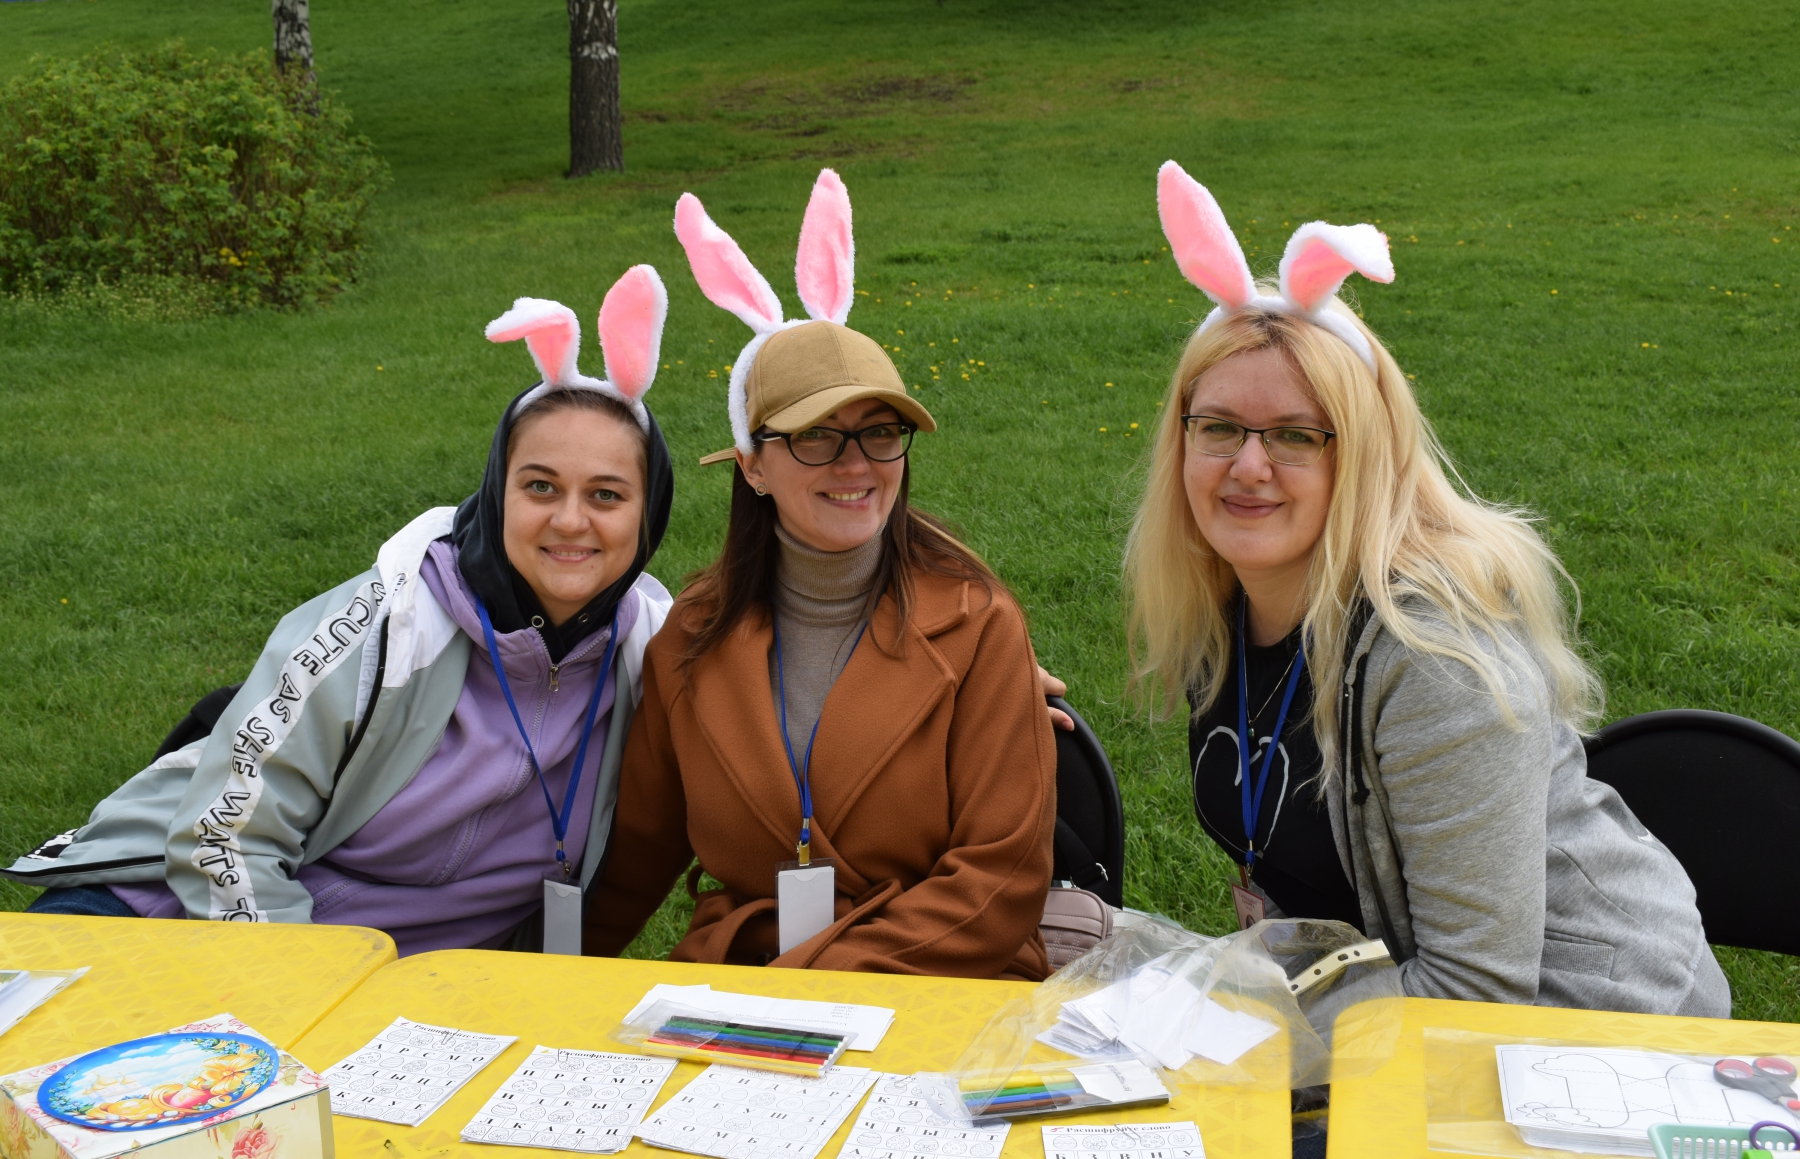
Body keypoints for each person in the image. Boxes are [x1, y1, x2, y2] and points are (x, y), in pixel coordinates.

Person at [1123, 162, 1728, 1016]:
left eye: (1295, 436)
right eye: (1219, 426)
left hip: (1595, 1032)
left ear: (1363, 455)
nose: (1248, 466)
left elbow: (1477, 991)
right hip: (1403, 1002)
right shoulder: (1225, 608)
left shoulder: (1435, 658)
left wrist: (1245, 1018)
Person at [5, 268, 677, 958]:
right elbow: (225, 833)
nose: (570, 520)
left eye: (606, 494)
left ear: (648, 512)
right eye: (540, 487)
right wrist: (310, 992)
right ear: (496, 492)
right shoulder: (392, 620)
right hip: (177, 912)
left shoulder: (654, 658)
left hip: (410, 984)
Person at [583, 171, 1057, 976]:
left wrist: (807, 988)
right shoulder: (690, 640)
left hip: (935, 984)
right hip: (744, 983)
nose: (856, 464)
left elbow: (999, 884)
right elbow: (633, 858)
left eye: (881, 432)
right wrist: (531, 976)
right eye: (815, 436)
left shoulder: (978, 624)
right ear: (752, 467)